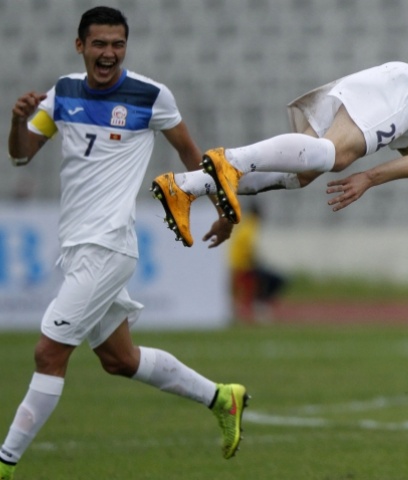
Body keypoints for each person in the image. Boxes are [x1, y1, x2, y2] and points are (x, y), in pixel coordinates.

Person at [0, 7, 248, 480]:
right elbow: (20, 156)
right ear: (81, 47)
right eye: (99, 44)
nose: (109, 53)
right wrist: (17, 122)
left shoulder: (152, 96)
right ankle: (222, 398)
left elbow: (190, 153)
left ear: (125, 47)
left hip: (109, 245)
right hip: (76, 246)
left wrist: (222, 208)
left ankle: (5, 463)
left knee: (48, 354)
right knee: (119, 359)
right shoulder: (64, 92)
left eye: (117, 44)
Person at [153, 62, 408, 320]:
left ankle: (186, 186)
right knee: (336, 158)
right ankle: (226, 164)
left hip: (403, 117)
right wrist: (370, 178)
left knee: (303, 174)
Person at [228, 201, 287, 324]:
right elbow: (249, 247)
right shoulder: (252, 225)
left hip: (237, 263)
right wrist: (257, 262)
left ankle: (259, 303)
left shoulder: (245, 223)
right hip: (244, 265)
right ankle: (261, 304)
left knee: (265, 277)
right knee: (276, 280)